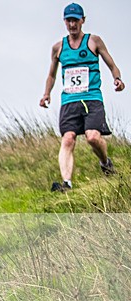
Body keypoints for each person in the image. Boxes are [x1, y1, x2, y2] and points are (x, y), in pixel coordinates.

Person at [40, 3, 124, 192]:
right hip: (69, 101)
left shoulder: (94, 41)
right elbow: (51, 75)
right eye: (69, 20)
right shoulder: (58, 47)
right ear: (64, 21)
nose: (72, 24)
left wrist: (117, 79)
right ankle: (66, 184)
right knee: (68, 139)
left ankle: (105, 163)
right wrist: (46, 94)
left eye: (75, 20)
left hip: (92, 98)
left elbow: (112, 65)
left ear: (82, 20)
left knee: (92, 137)